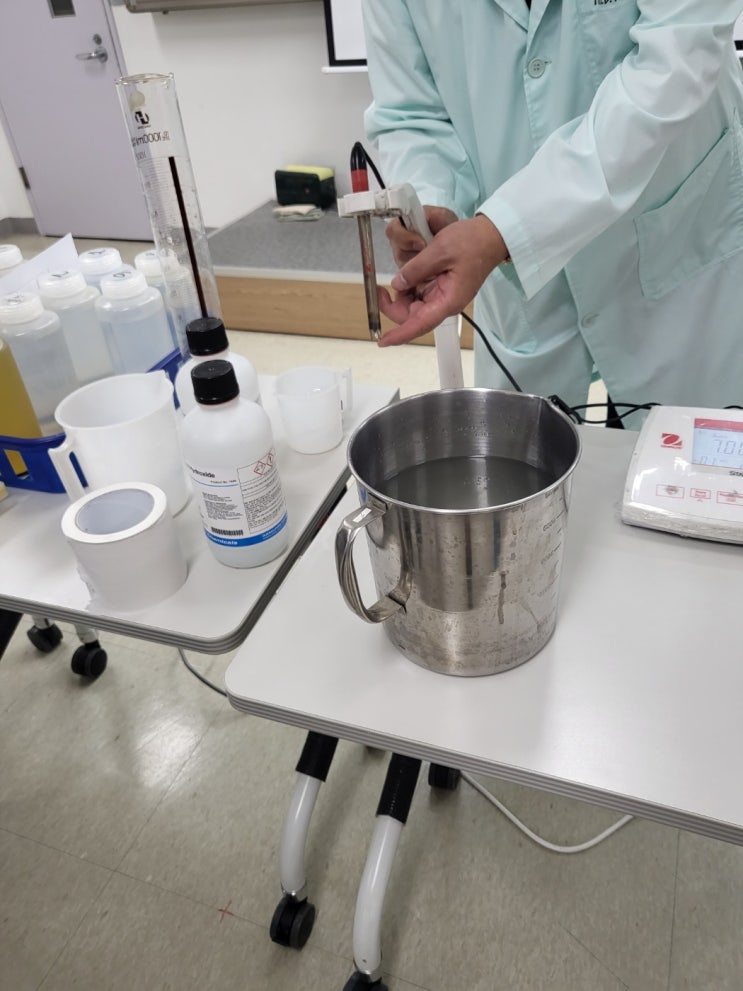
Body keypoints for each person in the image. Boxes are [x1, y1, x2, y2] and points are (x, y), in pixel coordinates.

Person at [361, 1, 743, 419]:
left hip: (676, 233)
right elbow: (412, 113)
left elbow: (674, 61)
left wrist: (505, 231)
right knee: (525, 449)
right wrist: (431, 204)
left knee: (689, 447)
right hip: (517, 276)